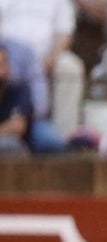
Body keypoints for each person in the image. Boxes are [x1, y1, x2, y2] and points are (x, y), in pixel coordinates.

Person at [0, 0, 86, 141]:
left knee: (70, 67)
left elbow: (65, 33)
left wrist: (51, 58)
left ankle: (65, 137)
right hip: (8, 53)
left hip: (47, 57)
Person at [0, 43, 33, 154]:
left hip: (13, 144)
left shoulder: (19, 89)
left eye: (2, 64)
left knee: (9, 144)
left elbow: (18, 127)